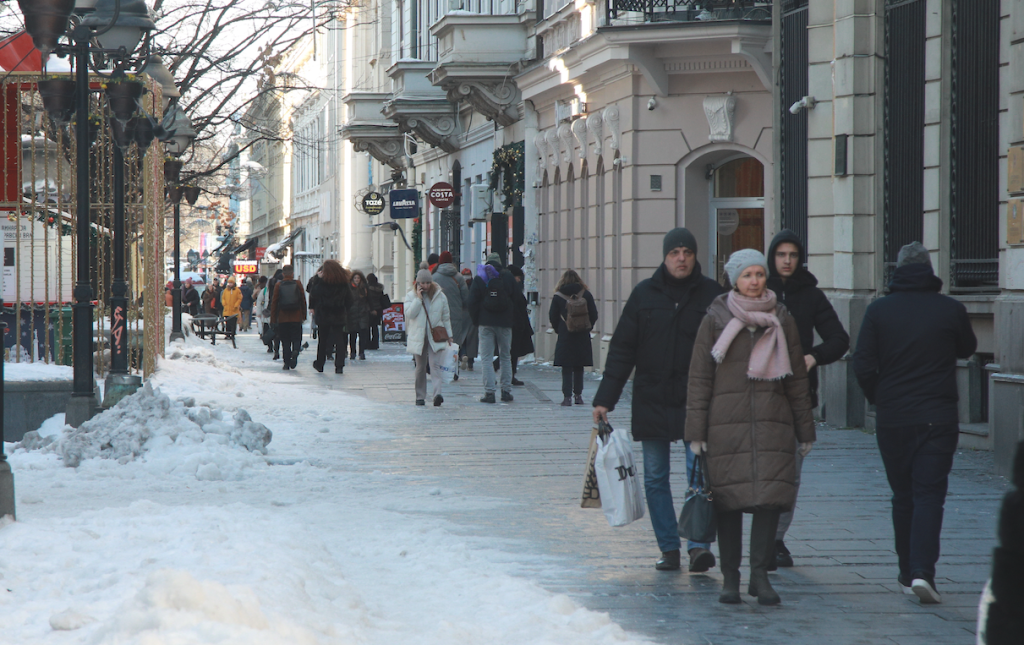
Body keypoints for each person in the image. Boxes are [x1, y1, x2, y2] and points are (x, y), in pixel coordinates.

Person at [686, 248, 815, 606]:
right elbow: (699, 378)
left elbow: (797, 381)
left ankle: (760, 576)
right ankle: (731, 577)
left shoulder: (782, 317)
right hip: (726, 426)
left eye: (759, 274)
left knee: (769, 502)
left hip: (774, 424)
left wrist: (805, 431)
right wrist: (696, 433)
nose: (755, 281)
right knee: (727, 502)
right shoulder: (715, 318)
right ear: (734, 279)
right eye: (747, 275)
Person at [852, 241, 977, 605]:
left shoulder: (879, 311)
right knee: (929, 495)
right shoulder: (951, 309)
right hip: (937, 417)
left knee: (903, 495)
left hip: (893, 418)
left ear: (897, 270)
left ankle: (907, 572)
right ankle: (923, 572)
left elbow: (862, 364)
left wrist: (880, 396)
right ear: (929, 269)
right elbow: (967, 348)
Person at [593, 228, 724, 573]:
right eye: (674, 252)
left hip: (696, 401)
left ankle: (697, 546)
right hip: (652, 397)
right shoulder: (644, 295)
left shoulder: (712, 295)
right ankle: (669, 547)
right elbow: (622, 349)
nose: (681, 258)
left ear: (695, 257)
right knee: (655, 478)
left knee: (699, 478)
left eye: (687, 252)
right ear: (665, 257)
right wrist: (605, 398)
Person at [765, 229, 850, 568]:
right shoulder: (758, 287)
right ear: (771, 257)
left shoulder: (811, 296)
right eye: (781, 254)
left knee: (792, 474)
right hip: (758, 393)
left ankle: (776, 538)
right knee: (763, 470)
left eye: (793, 255)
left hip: (797, 395)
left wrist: (813, 356)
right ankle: (762, 535)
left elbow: (839, 339)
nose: (787, 261)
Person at [467, 252, 525, 404]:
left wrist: (477, 320)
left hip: (485, 323)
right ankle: (506, 391)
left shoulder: (481, 277)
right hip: (505, 323)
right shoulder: (508, 277)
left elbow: (471, 301)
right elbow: (518, 298)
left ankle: (489, 393)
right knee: (505, 356)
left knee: (486, 358)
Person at [404, 269, 453, 406]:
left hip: (435, 336)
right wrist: (418, 299)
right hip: (418, 336)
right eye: (422, 283)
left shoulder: (439, 296)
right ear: (417, 283)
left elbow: (445, 317)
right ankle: (420, 396)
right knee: (420, 367)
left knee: (435, 365)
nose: (425, 285)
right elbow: (409, 314)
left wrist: (450, 335)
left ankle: (437, 394)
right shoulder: (411, 296)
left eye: (427, 282)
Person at [549, 269, 597, 406]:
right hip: (582, 333)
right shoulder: (585, 294)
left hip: (566, 334)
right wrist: (587, 326)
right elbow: (594, 314)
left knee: (567, 366)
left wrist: (560, 329)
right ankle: (578, 396)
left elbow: (552, 315)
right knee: (579, 365)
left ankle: (567, 398)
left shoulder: (558, 296)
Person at [309, 260, 352, 374]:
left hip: (324, 314)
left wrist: (317, 279)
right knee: (339, 340)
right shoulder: (343, 283)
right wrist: (344, 310)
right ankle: (339, 365)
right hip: (338, 314)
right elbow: (349, 300)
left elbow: (313, 293)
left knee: (322, 340)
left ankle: (320, 364)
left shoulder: (322, 283)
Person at [270, 264, 307, 370]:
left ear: (283, 274)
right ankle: (295, 350)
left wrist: (273, 319)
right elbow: (303, 301)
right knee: (296, 338)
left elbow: (274, 303)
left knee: (285, 341)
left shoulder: (278, 285)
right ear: (292, 273)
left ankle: (286, 363)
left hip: (283, 318)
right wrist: (303, 315)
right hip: (296, 317)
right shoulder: (298, 283)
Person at [432, 251, 470, 354]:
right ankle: (453, 366)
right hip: (455, 316)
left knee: (439, 345)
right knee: (454, 345)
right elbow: (466, 298)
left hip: (438, 316)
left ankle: (441, 366)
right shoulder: (459, 277)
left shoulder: (434, 277)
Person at [505, 265, 534, 386]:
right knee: (512, 352)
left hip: (513, 324)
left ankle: (509, 374)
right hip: (515, 325)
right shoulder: (513, 290)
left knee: (511, 351)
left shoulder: (508, 288)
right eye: (518, 277)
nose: (519, 280)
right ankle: (509, 375)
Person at [348, 270, 370, 361]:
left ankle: (361, 352)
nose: (357, 280)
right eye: (355, 278)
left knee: (362, 335)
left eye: (358, 278)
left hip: (362, 314)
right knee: (353, 335)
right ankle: (352, 352)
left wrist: (368, 309)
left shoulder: (364, 288)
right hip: (352, 314)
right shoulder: (349, 288)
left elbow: (369, 300)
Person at [460, 267, 478, 371]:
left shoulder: (460, 284)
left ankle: (463, 355)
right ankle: (470, 362)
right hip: (472, 315)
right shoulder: (475, 284)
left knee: (462, 338)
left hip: (462, 314)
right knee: (472, 339)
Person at [366, 273, 388, 350]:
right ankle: (375, 344)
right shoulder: (380, 288)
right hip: (379, 309)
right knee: (375, 327)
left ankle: (368, 343)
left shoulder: (367, 288)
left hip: (369, 309)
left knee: (368, 327)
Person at [267, 269, 285, 359]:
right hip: (285, 310)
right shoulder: (285, 282)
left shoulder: (272, 282)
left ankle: (276, 351)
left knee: (276, 332)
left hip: (275, 309)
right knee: (285, 332)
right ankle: (286, 351)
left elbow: (271, 297)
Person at [253, 275, 272, 352]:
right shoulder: (264, 291)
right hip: (266, 315)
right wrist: (259, 314)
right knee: (267, 332)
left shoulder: (277, 290)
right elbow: (259, 302)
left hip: (274, 316)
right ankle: (270, 346)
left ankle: (274, 347)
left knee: (274, 332)